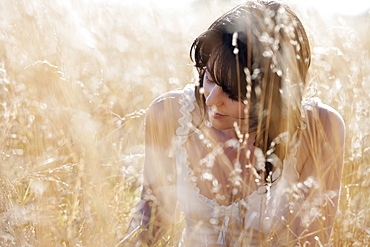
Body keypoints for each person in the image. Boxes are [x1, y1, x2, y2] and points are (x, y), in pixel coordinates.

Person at [122, 0, 345, 246]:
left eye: (232, 91)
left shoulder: (320, 129)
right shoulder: (169, 113)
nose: (211, 100)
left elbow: (310, 240)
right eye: (209, 77)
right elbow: (150, 220)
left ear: (273, 96)